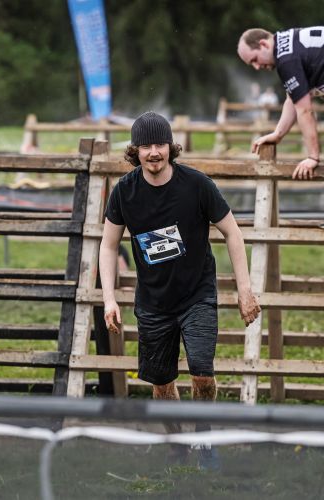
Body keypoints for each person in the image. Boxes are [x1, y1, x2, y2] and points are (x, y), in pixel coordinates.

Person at [99, 111, 261, 468]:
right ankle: (177, 442)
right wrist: (109, 299)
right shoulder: (125, 191)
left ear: (171, 147)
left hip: (196, 294)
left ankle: (203, 437)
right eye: (146, 146)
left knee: (202, 372)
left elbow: (232, 233)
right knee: (161, 382)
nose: (154, 152)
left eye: (160, 144)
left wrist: (245, 290)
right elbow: (109, 246)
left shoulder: (197, 185)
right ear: (135, 151)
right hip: (153, 301)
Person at [237, 27, 324, 230]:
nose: (257, 67)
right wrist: (278, 134)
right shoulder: (288, 47)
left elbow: (305, 110)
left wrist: (313, 157)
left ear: (264, 44)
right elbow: (293, 99)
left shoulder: (285, 59)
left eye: (255, 60)